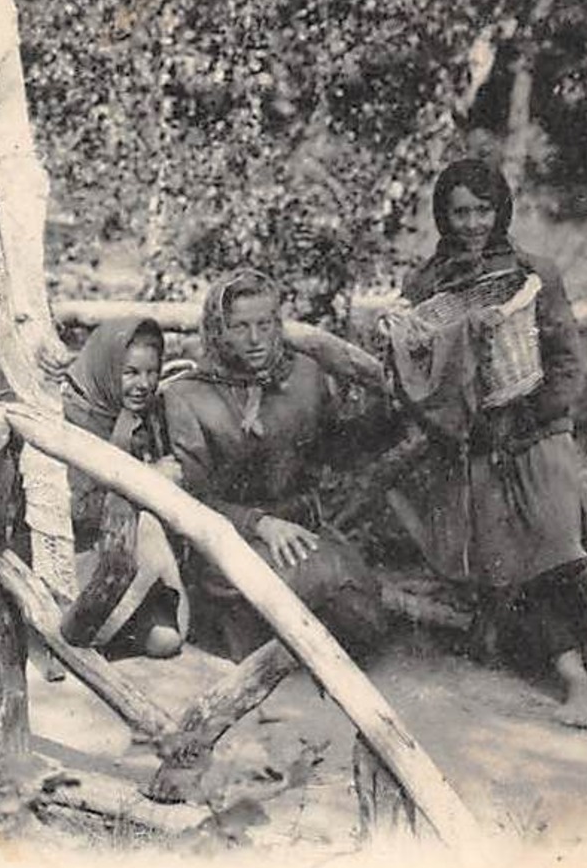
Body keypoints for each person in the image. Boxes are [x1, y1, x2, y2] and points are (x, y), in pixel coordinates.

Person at [388, 158, 587, 728]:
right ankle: (571, 675)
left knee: (562, 546)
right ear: (442, 217)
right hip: (477, 439)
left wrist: (542, 412)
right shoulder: (428, 284)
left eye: (482, 210)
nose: (472, 223)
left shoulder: (532, 272)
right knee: (517, 559)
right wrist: (410, 340)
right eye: (459, 212)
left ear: (501, 211)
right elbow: (416, 373)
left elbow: (566, 358)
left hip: (536, 428)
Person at [163, 269, 389, 660]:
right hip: (227, 540)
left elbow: (337, 451)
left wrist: (380, 403)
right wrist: (261, 524)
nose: (255, 340)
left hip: (300, 531)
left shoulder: (303, 373)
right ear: (217, 330)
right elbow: (191, 501)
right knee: (279, 605)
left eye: (264, 325)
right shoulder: (189, 395)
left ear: (278, 324)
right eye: (239, 327)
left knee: (363, 616)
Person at [60, 316, 186, 658]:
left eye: (151, 372)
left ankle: (124, 620)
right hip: (78, 555)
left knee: (167, 642)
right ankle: (94, 620)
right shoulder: (72, 418)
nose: (143, 384)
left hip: (126, 555)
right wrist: (145, 479)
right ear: (108, 368)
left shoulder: (145, 416)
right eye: (130, 372)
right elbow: (75, 511)